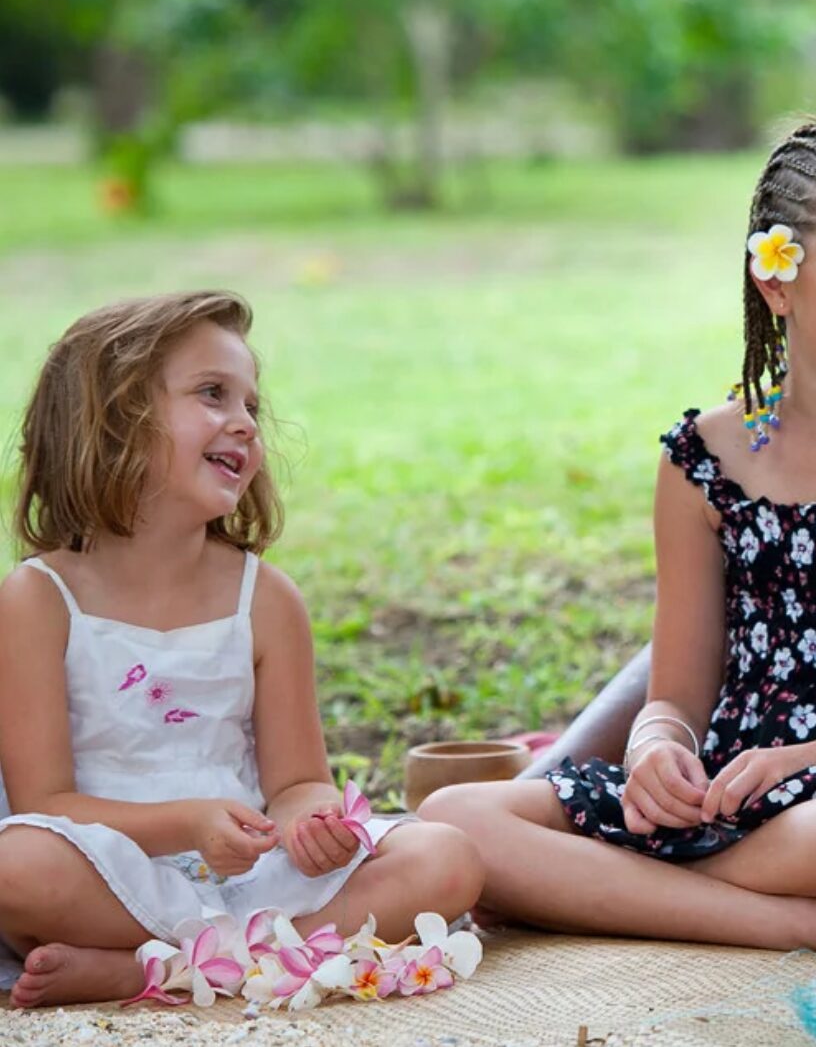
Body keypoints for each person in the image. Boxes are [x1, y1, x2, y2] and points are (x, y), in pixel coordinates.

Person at [423, 115, 816, 950]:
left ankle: (610, 893)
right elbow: (675, 692)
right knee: (453, 816)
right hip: (722, 796)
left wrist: (802, 758)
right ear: (777, 281)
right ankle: (784, 923)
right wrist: (655, 751)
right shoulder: (702, 459)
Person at [0, 291, 483, 1009]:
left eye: (251, 405)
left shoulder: (264, 598)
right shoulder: (38, 599)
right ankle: (269, 958)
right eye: (212, 394)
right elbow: (46, 802)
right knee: (15, 865)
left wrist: (312, 824)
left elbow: (298, 782)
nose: (245, 423)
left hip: (257, 879)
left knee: (447, 856)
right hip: (115, 872)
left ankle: (156, 970)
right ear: (110, 421)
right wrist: (188, 823)